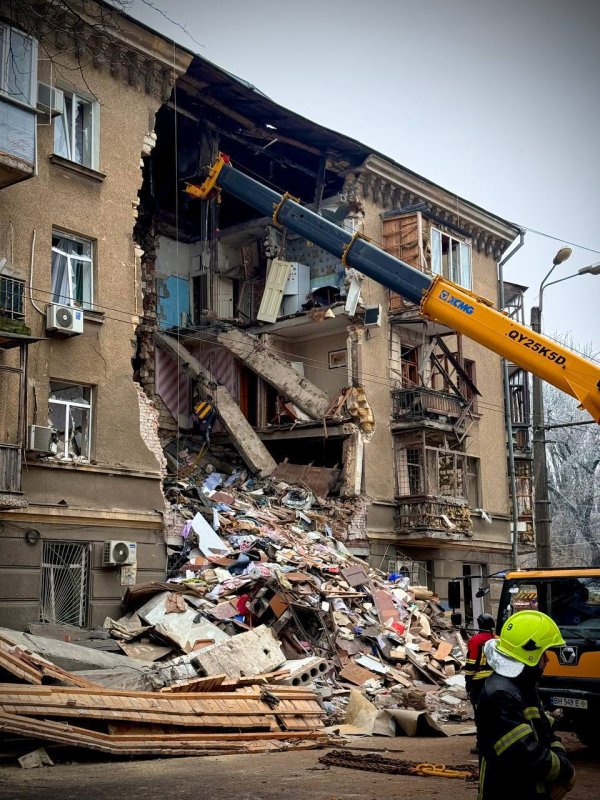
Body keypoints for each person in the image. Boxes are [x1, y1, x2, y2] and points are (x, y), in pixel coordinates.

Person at [477, 610, 575, 800]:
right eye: (544, 653)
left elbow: (548, 734)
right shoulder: (501, 694)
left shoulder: (523, 687)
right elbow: (524, 754)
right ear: (530, 654)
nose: (547, 659)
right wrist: (566, 772)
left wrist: (562, 768)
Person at [464, 612, 495, 754]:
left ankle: (481, 744)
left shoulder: (475, 640)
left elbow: (471, 663)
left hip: (478, 682)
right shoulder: (497, 640)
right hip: (495, 680)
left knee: (480, 714)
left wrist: (468, 681)